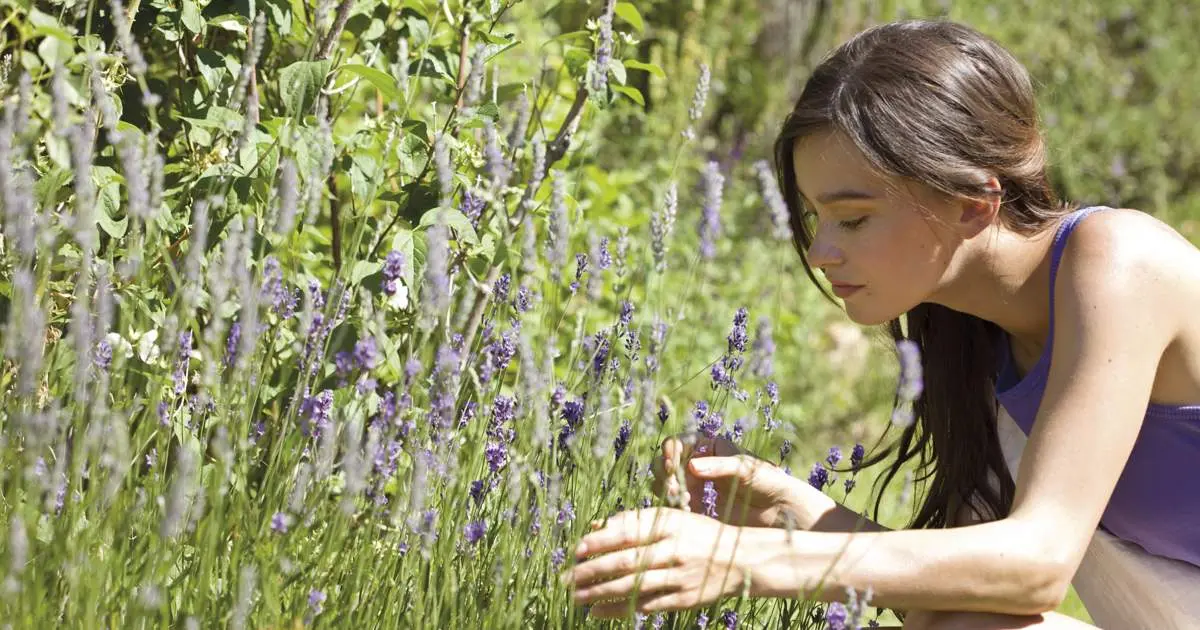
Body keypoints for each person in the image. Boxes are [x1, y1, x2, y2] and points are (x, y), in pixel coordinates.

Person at [561, 18, 1200, 629]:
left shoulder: (1120, 262)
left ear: (974, 204)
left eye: (855, 219)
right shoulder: (975, 340)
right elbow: (950, 604)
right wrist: (792, 510)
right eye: (816, 219)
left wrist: (743, 560)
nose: (819, 253)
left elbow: (1035, 564)